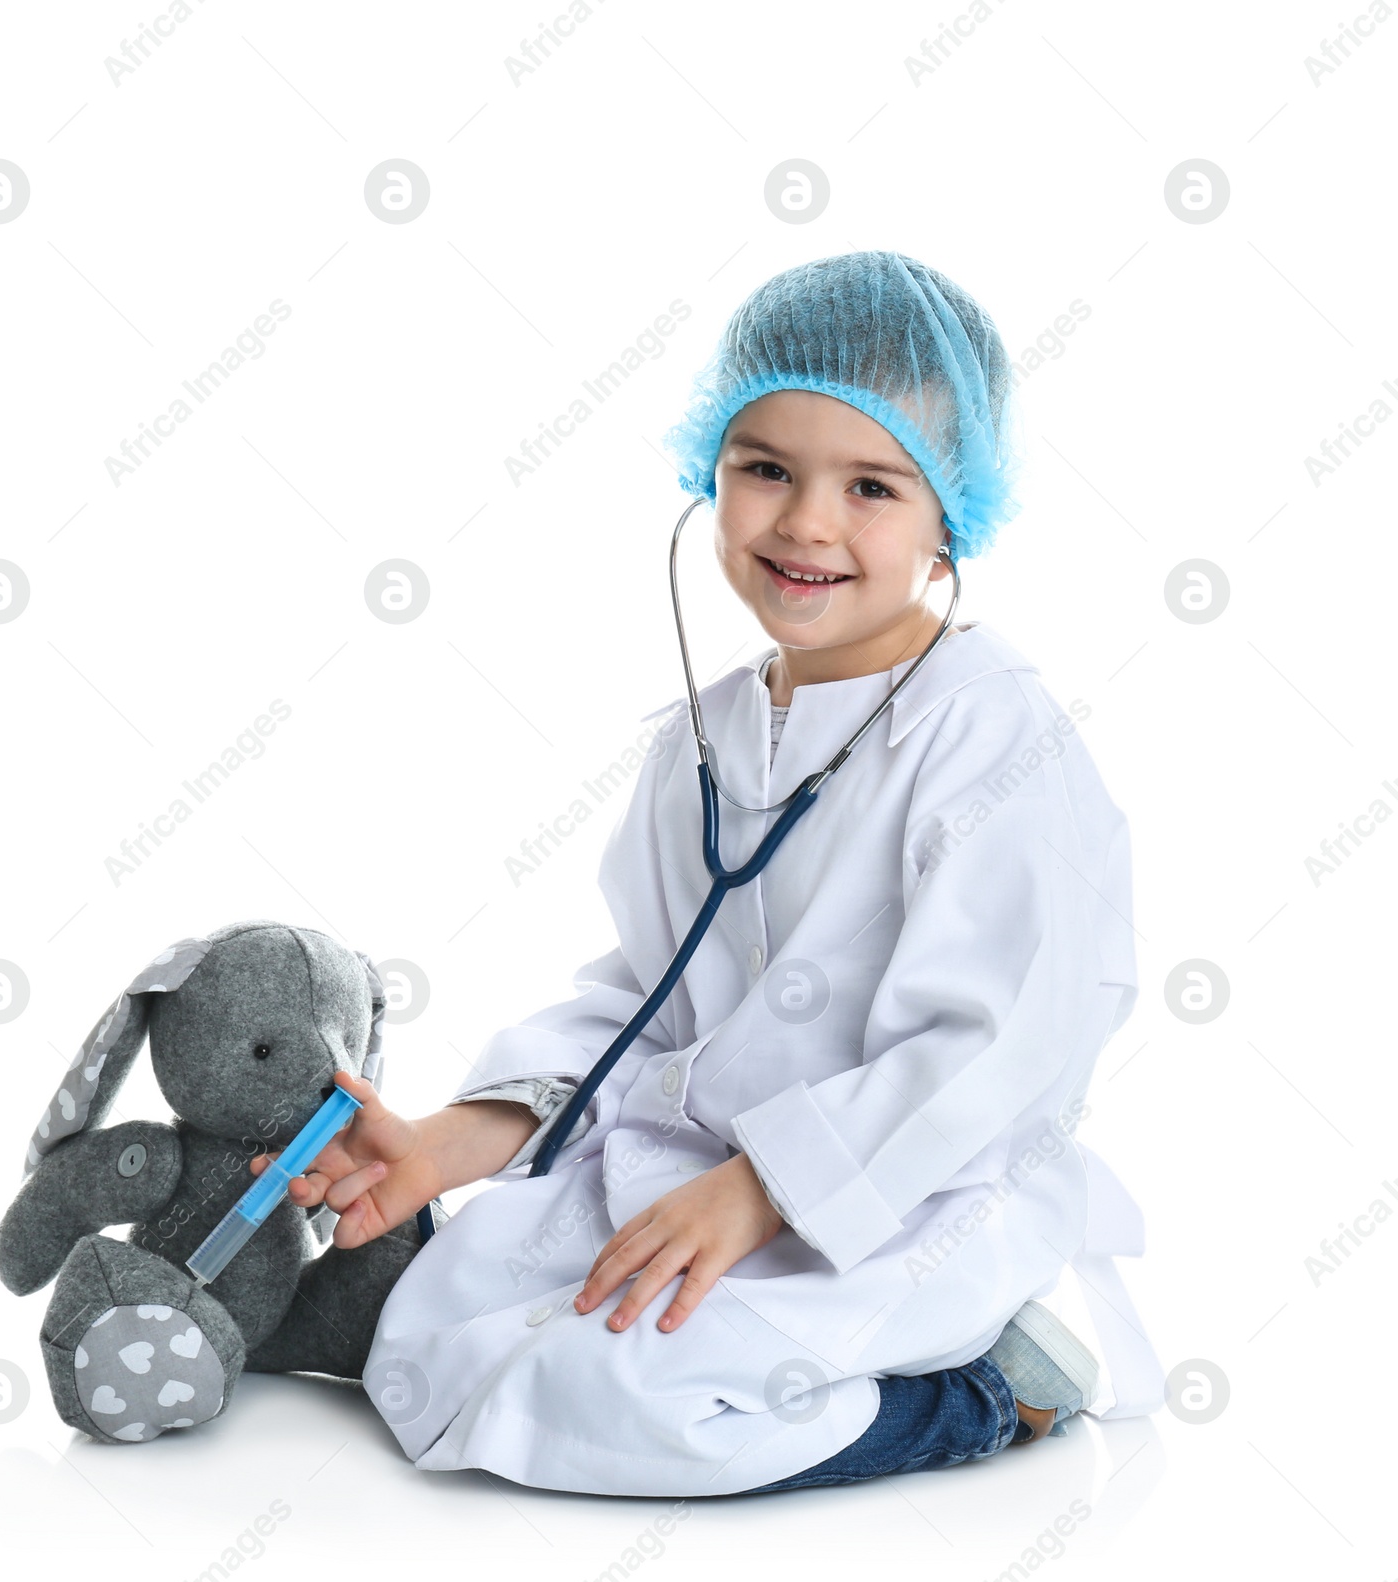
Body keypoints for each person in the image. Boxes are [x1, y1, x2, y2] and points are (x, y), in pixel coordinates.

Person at [250, 251, 1162, 1497]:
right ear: (708, 471)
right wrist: (456, 1141)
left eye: (872, 485)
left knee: (645, 1403)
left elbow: (1001, 1048)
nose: (806, 523)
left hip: (907, 1193)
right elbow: (647, 994)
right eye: (766, 468)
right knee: (434, 1335)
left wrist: (767, 1191)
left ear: (955, 510)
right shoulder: (706, 736)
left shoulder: (994, 738)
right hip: (701, 1170)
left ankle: (991, 1390)